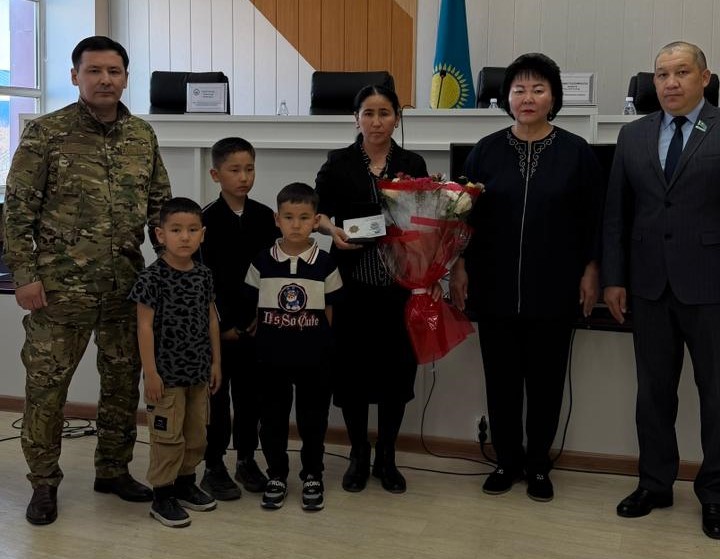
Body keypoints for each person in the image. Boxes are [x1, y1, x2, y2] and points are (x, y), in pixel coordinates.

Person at [2, 35, 171, 525]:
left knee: (121, 384)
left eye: (114, 71)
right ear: (75, 76)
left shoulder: (141, 136)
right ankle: (43, 484)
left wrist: (168, 271)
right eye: (94, 71)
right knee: (47, 390)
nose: (104, 80)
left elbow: (160, 206)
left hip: (124, 288)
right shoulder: (46, 133)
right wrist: (25, 276)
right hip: (58, 292)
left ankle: (113, 470)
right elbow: (17, 212)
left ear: (125, 77)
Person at [449, 53, 603, 502]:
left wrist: (592, 269)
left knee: (546, 382)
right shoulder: (485, 151)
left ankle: (538, 464)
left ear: (553, 97)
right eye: (519, 89)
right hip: (494, 287)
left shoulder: (577, 152)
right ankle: (506, 461)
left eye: (538, 89)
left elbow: (594, 219)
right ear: (507, 98)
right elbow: (461, 219)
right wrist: (459, 265)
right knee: (500, 380)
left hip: (554, 289)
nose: (528, 97)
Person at [602, 41, 720, 540]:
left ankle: (715, 494)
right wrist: (614, 278)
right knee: (652, 394)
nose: (670, 83)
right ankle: (654, 483)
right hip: (648, 285)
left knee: (716, 396)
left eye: (682, 72)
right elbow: (616, 213)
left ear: (705, 78)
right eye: (661, 74)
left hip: (710, 286)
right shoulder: (634, 135)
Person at [314, 85, 428, 494]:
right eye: (368, 113)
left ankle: (388, 455)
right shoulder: (338, 163)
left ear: (397, 117)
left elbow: (426, 218)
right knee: (353, 374)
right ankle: (359, 453)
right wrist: (332, 230)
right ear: (356, 118)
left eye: (384, 113)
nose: (376, 122)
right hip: (352, 288)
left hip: (398, 287)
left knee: (397, 373)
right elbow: (316, 214)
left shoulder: (412, 163)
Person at [244, 182, 342, 511]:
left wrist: (322, 343)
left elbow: (330, 310)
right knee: (272, 419)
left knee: (313, 419)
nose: (296, 225)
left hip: (314, 358)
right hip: (271, 358)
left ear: (315, 221)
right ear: (277, 220)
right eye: (288, 217)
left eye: (303, 218)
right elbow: (251, 303)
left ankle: (312, 474)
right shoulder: (262, 261)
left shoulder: (325, 263)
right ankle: (276, 474)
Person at [129, 197, 221, 528]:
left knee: (195, 435)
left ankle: (185, 484)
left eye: (193, 230)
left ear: (202, 234)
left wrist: (216, 363)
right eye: (176, 230)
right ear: (160, 235)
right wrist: (150, 373)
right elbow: (143, 327)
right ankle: (163, 495)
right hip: (165, 377)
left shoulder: (204, 275)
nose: (185, 237)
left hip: (198, 373)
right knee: (168, 438)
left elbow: (211, 319)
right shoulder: (152, 278)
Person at [198, 137, 279, 501]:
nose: (244, 177)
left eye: (249, 169)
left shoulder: (265, 217)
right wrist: (222, 324)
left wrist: (261, 316)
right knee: (217, 401)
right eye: (234, 170)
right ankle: (213, 465)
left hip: (255, 326)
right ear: (216, 174)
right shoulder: (204, 221)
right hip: (218, 330)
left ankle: (246, 458)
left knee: (251, 399)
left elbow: (273, 271)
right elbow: (204, 280)